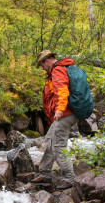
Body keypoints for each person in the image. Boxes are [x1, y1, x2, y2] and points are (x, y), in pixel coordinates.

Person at [31, 50, 78, 190]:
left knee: (58, 146)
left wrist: (59, 110)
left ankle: (70, 179)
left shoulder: (57, 71)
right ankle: (45, 174)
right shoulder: (58, 70)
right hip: (67, 113)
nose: (43, 68)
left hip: (65, 113)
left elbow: (62, 91)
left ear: (46, 61)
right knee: (49, 140)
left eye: (42, 65)